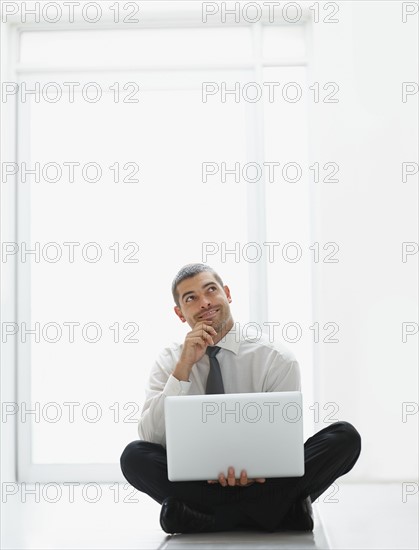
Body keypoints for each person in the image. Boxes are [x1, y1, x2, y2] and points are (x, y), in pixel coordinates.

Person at [120, 263, 361, 534]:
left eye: (211, 290)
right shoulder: (169, 361)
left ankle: (207, 518)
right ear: (179, 313)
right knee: (133, 456)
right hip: (198, 481)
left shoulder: (275, 359)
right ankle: (278, 513)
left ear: (227, 293)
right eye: (191, 298)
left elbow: (285, 444)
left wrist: (257, 472)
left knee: (345, 438)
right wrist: (184, 367)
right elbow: (150, 437)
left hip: (265, 481)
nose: (205, 302)